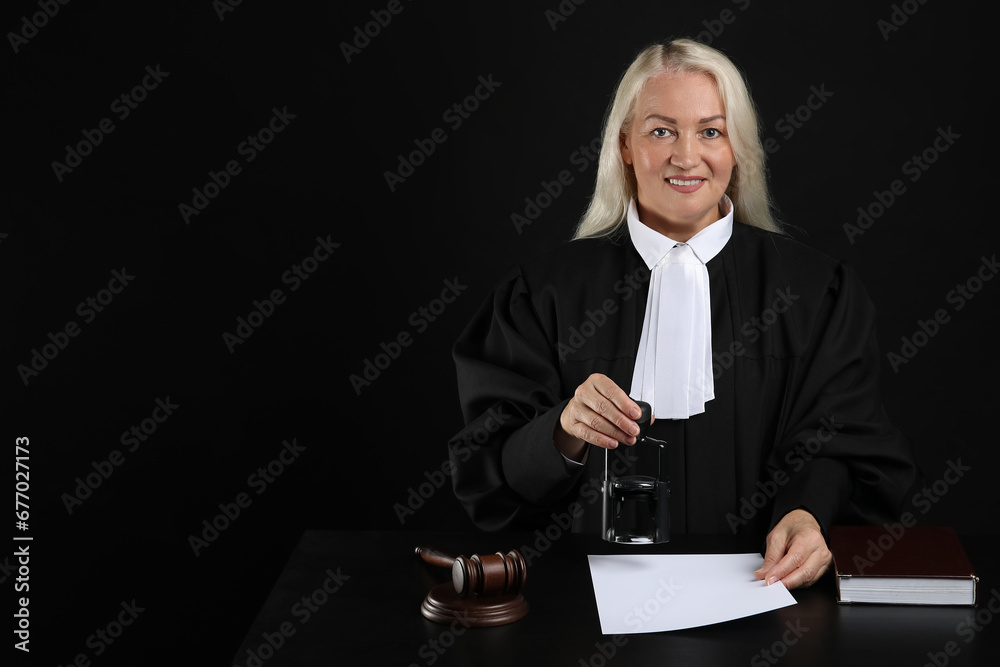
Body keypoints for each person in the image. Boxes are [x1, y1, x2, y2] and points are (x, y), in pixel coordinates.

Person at [447, 39, 919, 590]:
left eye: (711, 131)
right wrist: (562, 432)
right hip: (579, 601)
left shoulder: (818, 291)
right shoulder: (540, 293)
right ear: (625, 144)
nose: (687, 156)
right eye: (661, 130)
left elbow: (845, 444)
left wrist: (807, 512)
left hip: (765, 593)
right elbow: (488, 473)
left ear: (738, 147)